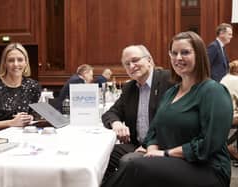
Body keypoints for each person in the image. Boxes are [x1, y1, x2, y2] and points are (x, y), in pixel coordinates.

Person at [102, 31, 233, 187]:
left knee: (136, 166)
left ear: (199, 55)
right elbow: (154, 131)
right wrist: (151, 150)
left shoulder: (213, 91)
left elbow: (209, 145)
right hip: (171, 161)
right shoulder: (172, 92)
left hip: (207, 168)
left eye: (185, 52)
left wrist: (164, 153)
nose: (178, 58)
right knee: (122, 160)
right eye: (174, 53)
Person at [101, 45, 173, 182]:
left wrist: (148, 146)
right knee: (101, 155)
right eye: (127, 64)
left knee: (129, 162)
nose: (131, 66)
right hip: (136, 144)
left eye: (135, 60)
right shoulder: (129, 88)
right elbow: (110, 113)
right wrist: (116, 123)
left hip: (161, 146)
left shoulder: (168, 80)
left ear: (149, 60)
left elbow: (172, 122)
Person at [0, 43, 41, 134]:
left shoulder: (33, 86)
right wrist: (11, 123)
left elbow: (35, 115)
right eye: (11, 60)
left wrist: (30, 118)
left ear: (26, 62)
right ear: (4, 63)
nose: (16, 64)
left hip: (22, 138)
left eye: (20, 60)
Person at [221, 60, 238, 163]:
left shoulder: (225, 78)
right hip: (232, 116)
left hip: (222, 114)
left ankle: (229, 144)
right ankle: (230, 146)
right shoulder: (236, 80)